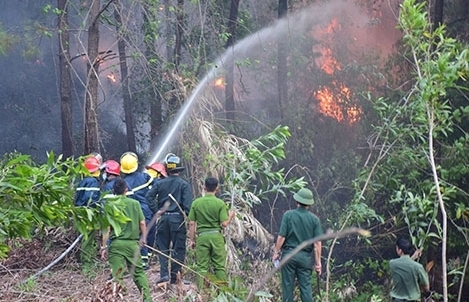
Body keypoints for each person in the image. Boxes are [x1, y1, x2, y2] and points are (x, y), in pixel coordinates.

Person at [100, 178, 152, 302]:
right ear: (126, 190)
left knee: (117, 275)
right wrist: (143, 238)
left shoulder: (110, 205)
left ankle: (121, 298)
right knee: (139, 273)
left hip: (116, 245)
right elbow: (142, 223)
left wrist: (103, 247)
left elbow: (107, 228)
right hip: (132, 244)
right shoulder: (135, 204)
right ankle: (147, 299)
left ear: (113, 191)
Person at [145, 153, 193, 284]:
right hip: (177, 220)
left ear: (166, 169)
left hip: (164, 220)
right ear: (178, 169)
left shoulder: (160, 183)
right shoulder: (184, 185)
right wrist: (191, 222)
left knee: (163, 248)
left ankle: (164, 275)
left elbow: (149, 197)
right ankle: (175, 276)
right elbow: (188, 206)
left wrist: (157, 211)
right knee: (178, 248)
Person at [272, 188, 323, 302]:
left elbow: (281, 237)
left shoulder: (288, 215)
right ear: (309, 204)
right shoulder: (315, 220)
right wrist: (318, 263)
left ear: (297, 201)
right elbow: (317, 244)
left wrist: (276, 252)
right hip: (305, 258)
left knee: (287, 288)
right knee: (306, 289)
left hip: (288, 256)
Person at [188, 177, 235, 287]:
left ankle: (201, 293)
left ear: (204, 187)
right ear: (217, 188)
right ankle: (222, 293)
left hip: (202, 237)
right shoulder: (220, 203)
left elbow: (191, 223)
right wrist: (230, 216)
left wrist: (192, 240)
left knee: (202, 267)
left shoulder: (196, 203)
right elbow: (224, 224)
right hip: (216, 237)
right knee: (219, 267)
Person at [120, 151, 154, 270]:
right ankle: (145, 260)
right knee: (146, 235)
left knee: (136, 236)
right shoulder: (145, 177)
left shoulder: (122, 183)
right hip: (146, 211)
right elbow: (155, 189)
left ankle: (137, 260)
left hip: (130, 213)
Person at [74, 156, 102, 273]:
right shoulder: (92, 182)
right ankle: (86, 264)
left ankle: (85, 259)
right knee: (87, 238)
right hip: (88, 214)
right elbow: (91, 199)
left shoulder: (83, 181)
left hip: (80, 213)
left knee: (85, 237)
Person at [389, 237, 432, 302]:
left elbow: (404, 264)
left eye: (397, 248)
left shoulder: (392, 264)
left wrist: (413, 257)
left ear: (400, 250)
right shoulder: (418, 267)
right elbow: (426, 286)